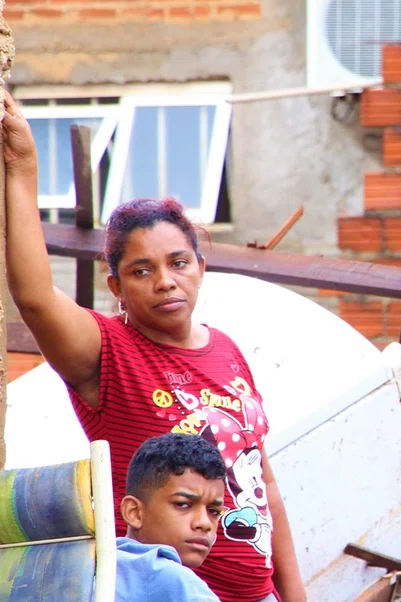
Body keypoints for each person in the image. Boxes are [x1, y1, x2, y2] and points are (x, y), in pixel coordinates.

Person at [1, 90, 307, 602]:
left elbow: (264, 487)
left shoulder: (228, 351)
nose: (165, 281)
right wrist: (23, 167)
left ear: (201, 267)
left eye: (179, 263)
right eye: (142, 271)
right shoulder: (109, 354)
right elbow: (32, 297)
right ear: (116, 286)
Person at [117, 433, 227, 602]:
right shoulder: (178, 582)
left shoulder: (86, 565)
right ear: (134, 512)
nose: (205, 523)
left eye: (213, 511)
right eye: (183, 504)